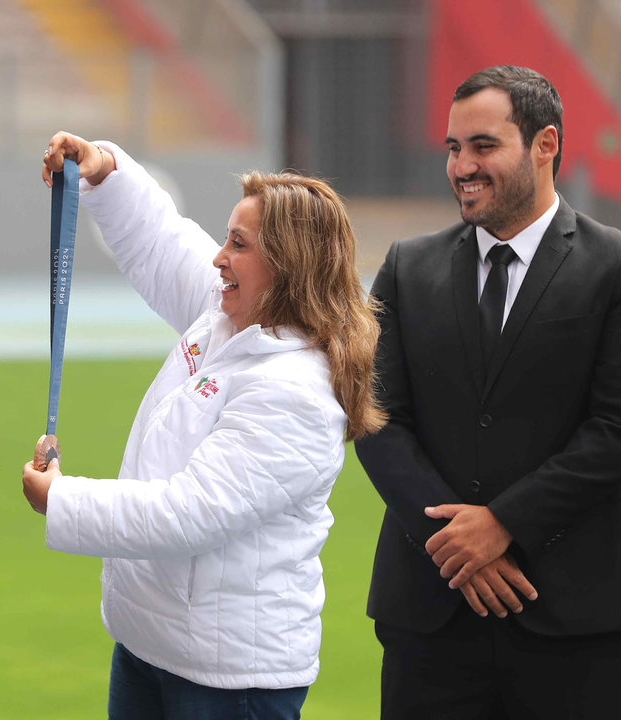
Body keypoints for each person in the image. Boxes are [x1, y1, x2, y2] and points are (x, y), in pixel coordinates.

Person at [22, 132, 384, 719]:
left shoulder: (296, 391)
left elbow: (190, 513)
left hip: (229, 682)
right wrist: (106, 171)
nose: (219, 257)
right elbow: (163, 244)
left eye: (237, 244)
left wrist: (61, 501)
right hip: (154, 647)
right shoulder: (227, 315)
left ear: (287, 265)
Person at [354, 65, 621, 719]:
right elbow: (376, 417)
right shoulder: (406, 268)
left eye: (483, 146)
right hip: (431, 613)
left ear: (545, 145)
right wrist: (455, 548)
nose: (461, 166)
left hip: (576, 614)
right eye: (452, 148)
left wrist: (504, 525)